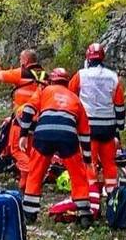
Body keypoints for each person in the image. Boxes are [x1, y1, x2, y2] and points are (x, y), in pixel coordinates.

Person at [18, 68, 93, 225]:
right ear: (67, 83)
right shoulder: (75, 99)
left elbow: (28, 109)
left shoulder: (45, 91)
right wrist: (87, 158)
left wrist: (24, 134)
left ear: (52, 80)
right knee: (77, 174)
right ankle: (84, 213)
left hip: (43, 134)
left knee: (36, 172)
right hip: (67, 135)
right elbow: (85, 132)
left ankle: (29, 214)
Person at [69, 42, 125, 209]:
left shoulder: (81, 75)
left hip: (89, 127)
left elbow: (70, 95)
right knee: (109, 163)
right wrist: (119, 127)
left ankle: (93, 199)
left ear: (88, 57)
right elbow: (119, 105)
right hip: (108, 127)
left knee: (89, 162)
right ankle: (113, 198)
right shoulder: (113, 77)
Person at [0, 46, 48, 183]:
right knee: (28, 152)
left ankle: (34, 175)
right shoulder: (44, 75)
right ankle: (25, 186)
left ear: (25, 61)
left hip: (22, 119)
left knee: (17, 150)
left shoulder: (22, 72)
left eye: (20, 59)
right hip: (38, 121)